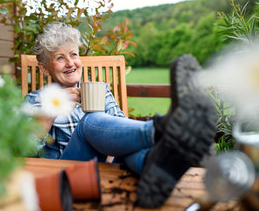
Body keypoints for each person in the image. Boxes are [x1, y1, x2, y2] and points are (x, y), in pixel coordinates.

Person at [25, 22, 217, 208]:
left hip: (110, 164)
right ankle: (167, 128)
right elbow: (24, 153)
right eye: (60, 58)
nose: (70, 63)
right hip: (66, 175)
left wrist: (112, 151)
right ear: (44, 68)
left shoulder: (99, 90)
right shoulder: (35, 101)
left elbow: (122, 129)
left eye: (73, 54)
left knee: (131, 149)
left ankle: (160, 167)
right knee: (89, 121)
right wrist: (49, 112)